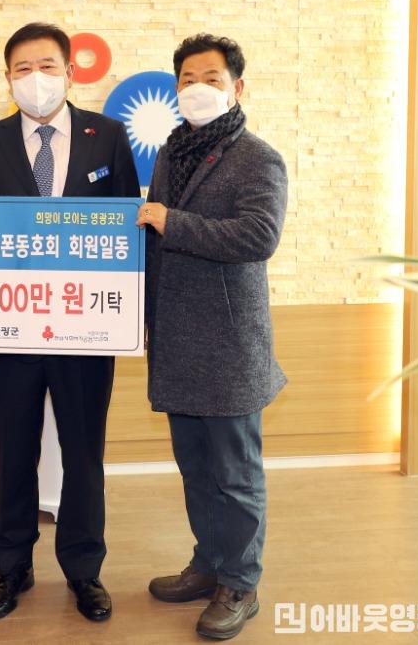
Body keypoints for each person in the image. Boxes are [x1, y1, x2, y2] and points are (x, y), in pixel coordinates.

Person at [0, 22, 140, 622]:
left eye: (46, 66)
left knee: (84, 454)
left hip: (86, 330)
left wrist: (129, 318)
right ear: (7, 77)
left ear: (69, 72)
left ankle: (84, 570)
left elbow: (128, 233)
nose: (34, 78)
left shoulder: (107, 137)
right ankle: (11, 568)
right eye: (22, 68)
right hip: (11, 330)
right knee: (13, 452)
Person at [136, 33, 287, 641]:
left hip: (228, 346)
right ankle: (208, 564)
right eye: (188, 80)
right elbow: (151, 240)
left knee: (236, 474)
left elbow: (258, 236)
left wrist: (173, 221)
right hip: (175, 340)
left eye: (212, 79)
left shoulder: (258, 158)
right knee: (196, 469)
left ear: (237, 87)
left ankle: (241, 583)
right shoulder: (171, 154)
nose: (198, 89)